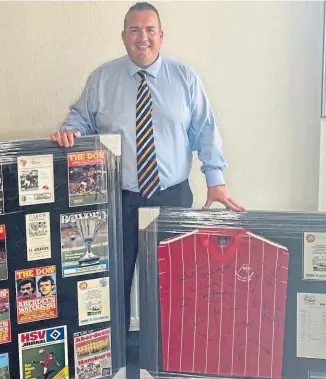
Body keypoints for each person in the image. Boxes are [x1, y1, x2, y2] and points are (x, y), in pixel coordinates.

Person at [50, 2, 245, 333]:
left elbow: (206, 131)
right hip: (119, 199)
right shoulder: (102, 78)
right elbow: (81, 117)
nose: (143, 37)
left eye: (149, 29)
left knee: (176, 279)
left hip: (171, 197)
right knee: (114, 279)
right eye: (135, 30)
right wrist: (71, 130)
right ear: (124, 36)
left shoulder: (185, 78)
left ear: (161, 35)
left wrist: (216, 180)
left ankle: (172, 352)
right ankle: (118, 356)